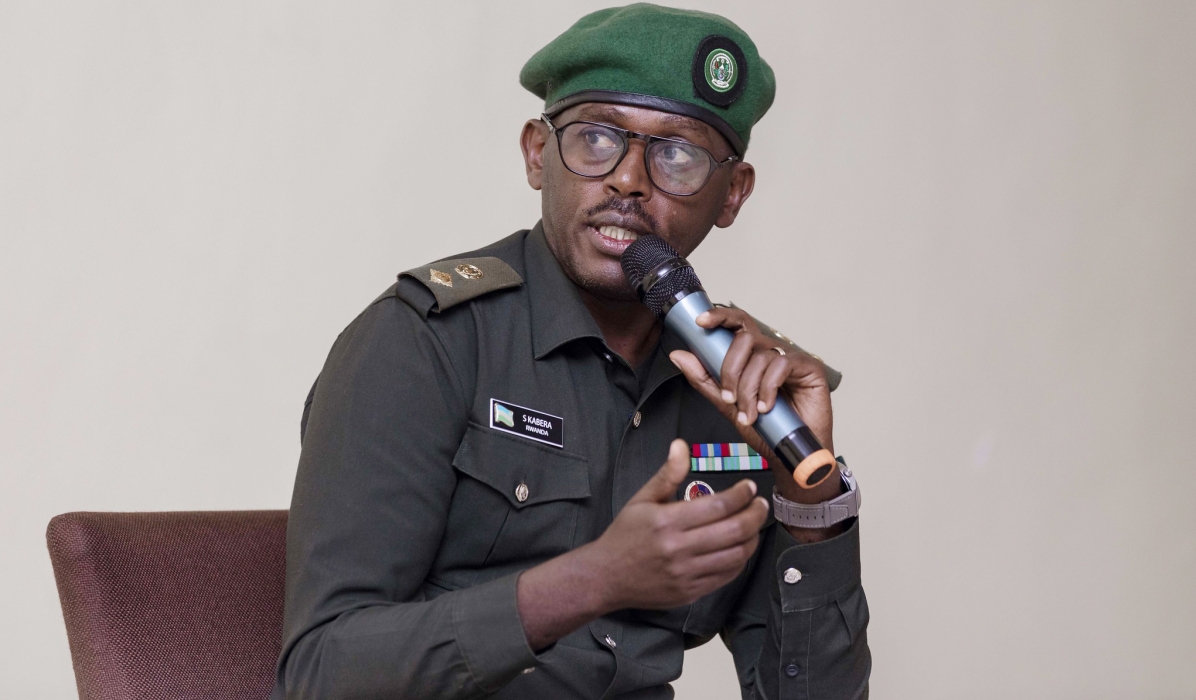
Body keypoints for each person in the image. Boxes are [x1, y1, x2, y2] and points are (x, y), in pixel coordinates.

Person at [274, 4, 870, 699]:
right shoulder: (422, 343)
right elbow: (319, 673)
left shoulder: (736, 388)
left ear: (731, 195)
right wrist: (597, 578)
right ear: (536, 153)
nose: (628, 180)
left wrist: (813, 503)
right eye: (596, 139)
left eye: (677, 154)